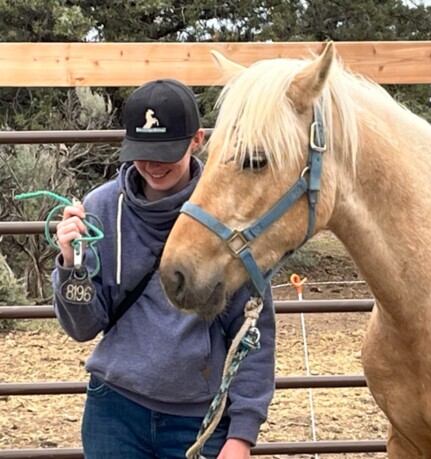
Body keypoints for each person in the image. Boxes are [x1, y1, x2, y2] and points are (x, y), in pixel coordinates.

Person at [52, 79, 276, 459]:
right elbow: (83, 327)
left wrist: (242, 433)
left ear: (197, 140)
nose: (153, 166)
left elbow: (253, 327)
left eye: (166, 152)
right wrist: (72, 265)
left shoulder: (228, 212)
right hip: (115, 412)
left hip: (201, 417)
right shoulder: (102, 208)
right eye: (142, 151)